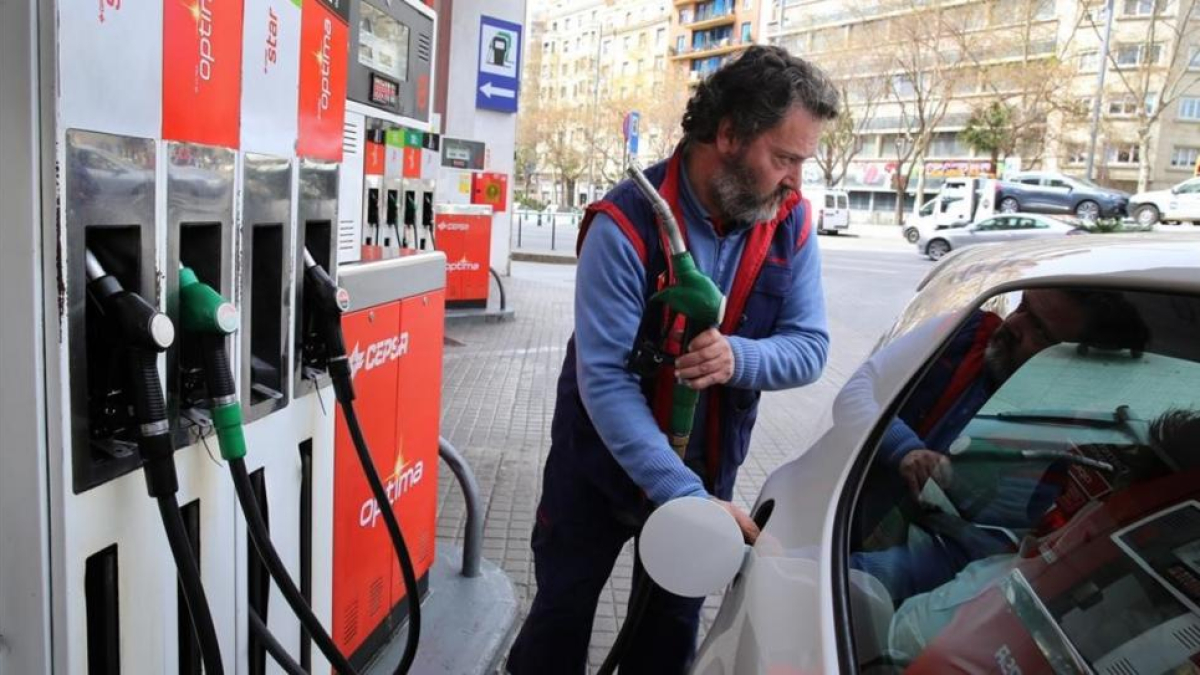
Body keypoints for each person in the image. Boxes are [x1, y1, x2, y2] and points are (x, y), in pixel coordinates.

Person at [505, 46, 840, 674]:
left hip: (708, 463)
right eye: (784, 158)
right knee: (561, 614)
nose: (796, 180)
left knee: (666, 635)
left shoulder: (789, 222)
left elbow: (811, 348)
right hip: (596, 464)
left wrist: (736, 358)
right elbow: (605, 380)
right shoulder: (623, 224)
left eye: (802, 162)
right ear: (729, 134)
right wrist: (683, 495)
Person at [852, 288, 1149, 599]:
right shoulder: (966, 334)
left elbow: (965, 553)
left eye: (1039, 330)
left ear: (1072, 370)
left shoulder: (1042, 459)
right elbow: (859, 388)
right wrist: (904, 448)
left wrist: (861, 576)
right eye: (1023, 306)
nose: (1013, 323)